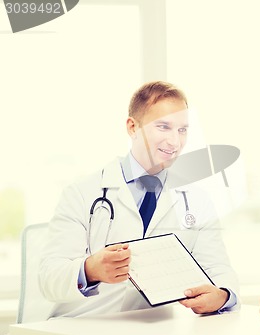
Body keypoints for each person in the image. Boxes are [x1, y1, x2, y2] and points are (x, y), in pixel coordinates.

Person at [39, 81, 239, 318]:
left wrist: (222, 295)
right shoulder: (82, 192)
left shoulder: (197, 200)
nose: (175, 141)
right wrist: (91, 269)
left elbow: (218, 270)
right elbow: (48, 278)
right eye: (163, 127)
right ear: (133, 127)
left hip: (156, 328)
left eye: (182, 130)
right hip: (84, 324)